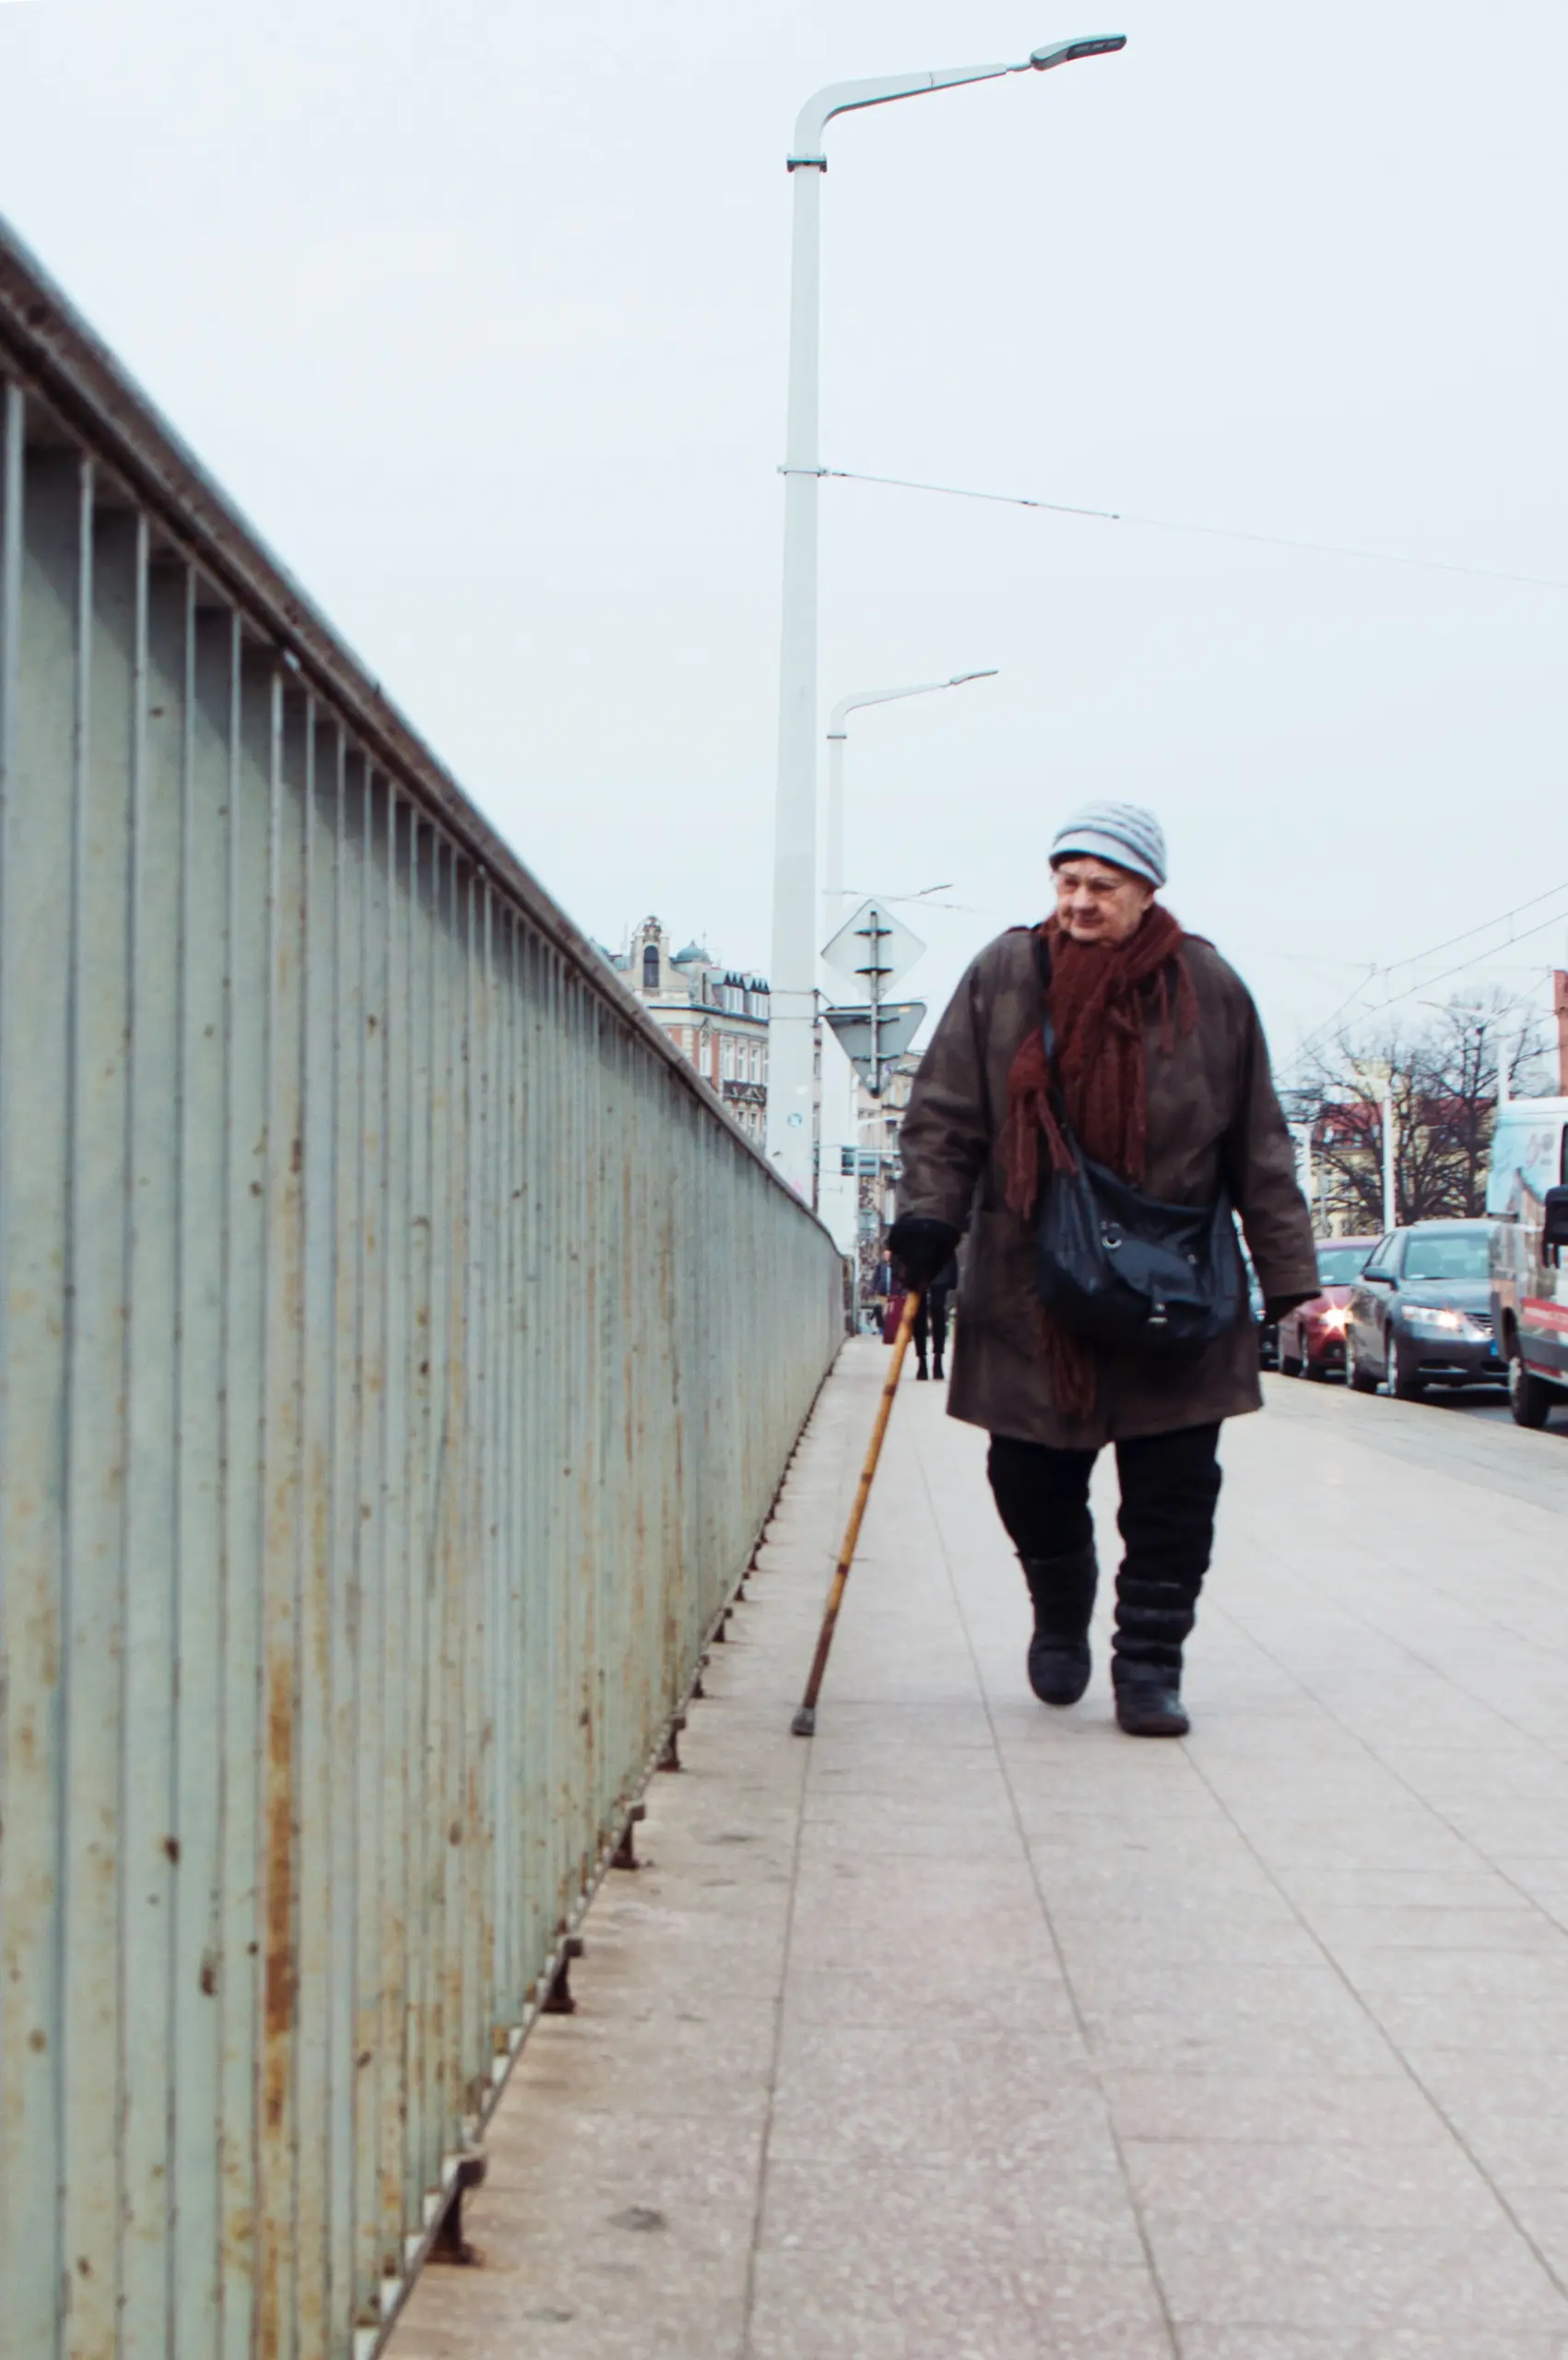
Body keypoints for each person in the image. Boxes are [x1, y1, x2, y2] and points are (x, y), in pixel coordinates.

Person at [887, 801, 1316, 1737]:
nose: (1079, 901)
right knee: (1027, 1475)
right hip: (1033, 1277)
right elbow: (946, 1111)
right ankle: (1059, 1599)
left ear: (1147, 890)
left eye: (1102, 886)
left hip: (1177, 1281)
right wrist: (926, 1215)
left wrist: (1291, 1280)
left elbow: (1260, 1143)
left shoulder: (1210, 986)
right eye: (1067, 881)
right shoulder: (1009, 972)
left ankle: (1149, 1668)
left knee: (1174, 1493)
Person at [912, 1248, 958, 1381]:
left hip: (940, 1263)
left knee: (938, 1312)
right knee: (919, 1317)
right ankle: (922, 1360)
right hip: (918, 1264)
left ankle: (938, 1358)